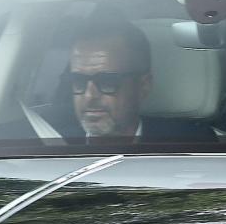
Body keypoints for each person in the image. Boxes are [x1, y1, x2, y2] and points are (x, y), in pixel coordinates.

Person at [56, 18, 215, 141]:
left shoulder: (190, 144)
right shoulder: (49, 142)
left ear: (143, 86)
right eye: (78, 81)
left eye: (107, 81)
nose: (89, 96)